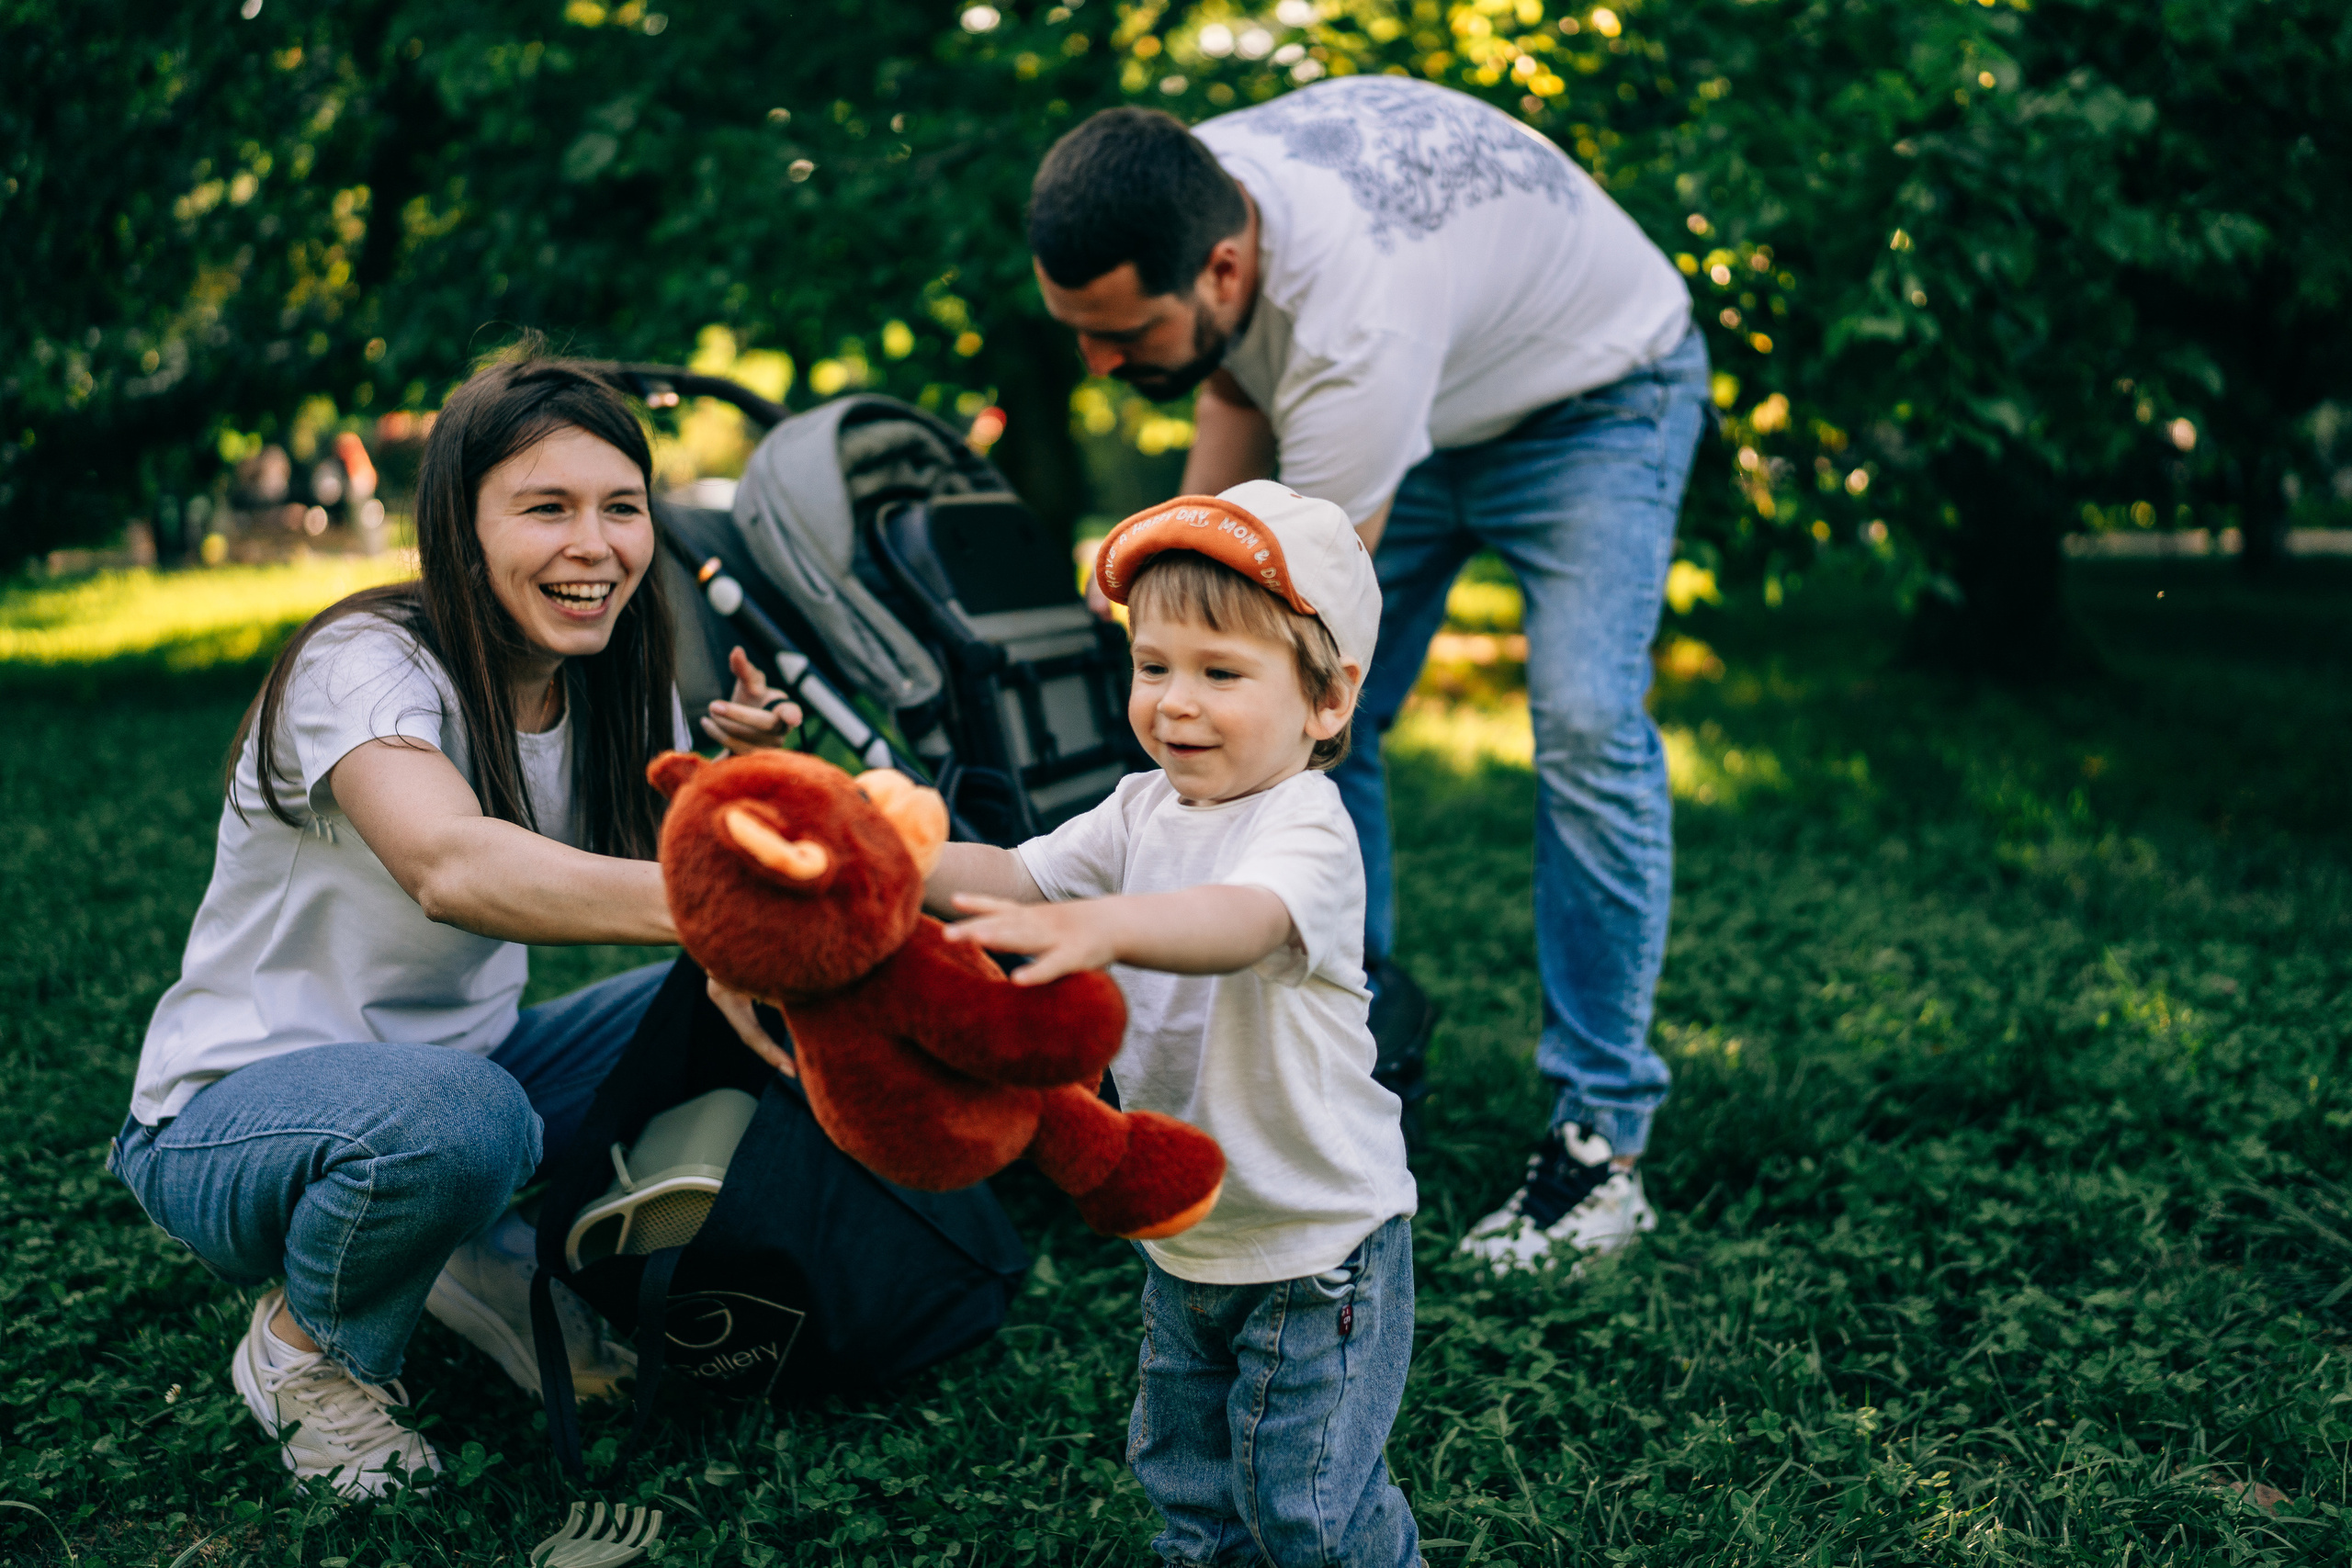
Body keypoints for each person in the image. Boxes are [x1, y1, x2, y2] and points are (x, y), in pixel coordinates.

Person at [1028, 79, 1713, 1269]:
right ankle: (1349, 1056)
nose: (1094, 363)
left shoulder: (1358, 320)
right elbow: (1236, 399)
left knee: (1574, 720)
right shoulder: (1191, 186)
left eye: (1124, 334)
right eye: (1078, 326)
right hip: (1438, 392)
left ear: (1223, 271)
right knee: (1328, 720)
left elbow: (1292, 638)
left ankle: (1601, 1141)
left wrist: (1187, 655)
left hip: (1599, 394)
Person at [110, 354, 800, 1496]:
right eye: (546, 509)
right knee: (462, 1116)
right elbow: (449, 864)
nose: (597, 545)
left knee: (773, 981)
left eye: (621, 507)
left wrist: (749, 782)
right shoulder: (364, 665)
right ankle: (306, 1353)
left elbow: (668, 865)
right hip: (228, 1122)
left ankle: (468, 1251)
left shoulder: (615, 681)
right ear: (459, 529)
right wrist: (710, 913)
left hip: (468, 1076)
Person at [931, 482, 1419, 1568]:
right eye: (1153, 667)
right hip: (1188, 1239)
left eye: (1220, 672)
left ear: (1327, 700)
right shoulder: (1140, 806)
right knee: (1189, 1491)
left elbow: (1237, 922)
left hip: (1316, 1247)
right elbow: (1011, 873)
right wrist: (886, 865)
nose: (1175, 704)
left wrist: (1107, 926)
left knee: (1308, 1510)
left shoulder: (1306, 826)